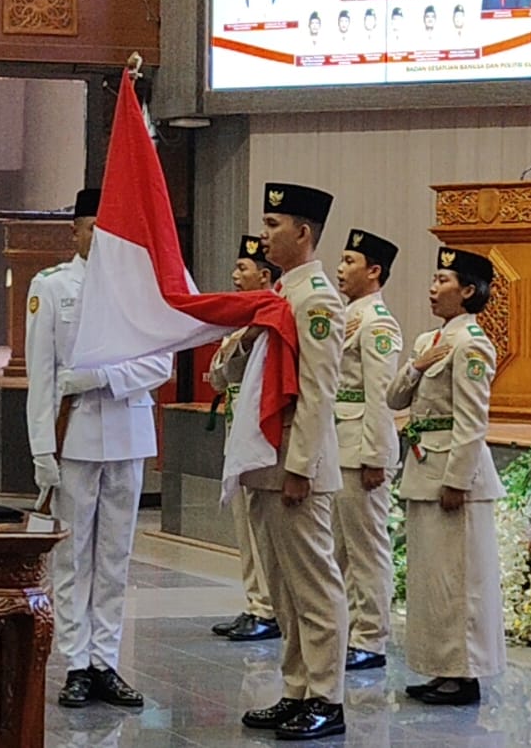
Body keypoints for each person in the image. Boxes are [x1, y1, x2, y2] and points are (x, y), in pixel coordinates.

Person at [27, 188, 172, 710]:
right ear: (75, 231)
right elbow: (41, 374)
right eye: (92, 228)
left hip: (129, 432)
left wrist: (102, 377)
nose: (101, 238)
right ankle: (76, 663)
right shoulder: (52, 286)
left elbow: (162, 364)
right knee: (73, 556)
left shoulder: (138, 288)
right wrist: (41, 449)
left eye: (108, 229)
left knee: (115, 556)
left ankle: (106, 661)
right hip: (76, 437)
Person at [239, 182, 347, 741]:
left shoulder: (318, 301)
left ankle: (327, 697)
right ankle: (297, 688)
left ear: (303, 233)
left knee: (314, 587)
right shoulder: (280, 294)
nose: (264, 234)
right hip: (268, 461)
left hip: (295, 466)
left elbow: (318, 391)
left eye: (273, 224)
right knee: (283, 588)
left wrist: (300, 466)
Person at [386, 246, 505, 706]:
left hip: (454, 477)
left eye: (443, 280)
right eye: (434, 279)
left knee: (459, 579)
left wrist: (457, 479)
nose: (433, 288)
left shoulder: (472, 343)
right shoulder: (427, 342)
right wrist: (415, 367)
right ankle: (442, 667)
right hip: (423, 466)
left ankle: (464, 673)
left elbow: (472, 420)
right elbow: (395, 400)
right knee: (432, 579)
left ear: (468, 291)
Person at [332, 230, 403, 671]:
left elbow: (380, 395)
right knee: (337, 551)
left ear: (374, 271)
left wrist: (376, 456)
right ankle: (342, 630)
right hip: (338, 444)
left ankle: (370, 638)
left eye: (350, 261)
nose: (340, 269)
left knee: (367, 549)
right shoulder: (348, 316)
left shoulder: (377, 322)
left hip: (360, 448)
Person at [208, 235, 282, 643]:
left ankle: (270, 608)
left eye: (243, 268)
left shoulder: (274, 317)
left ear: (264, 276)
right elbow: (218, 377)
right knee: (245, 527)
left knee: (263, 530)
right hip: (236, 433)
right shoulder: (241, 323)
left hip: (261, 436)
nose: (235, 276)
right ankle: (256, 603)